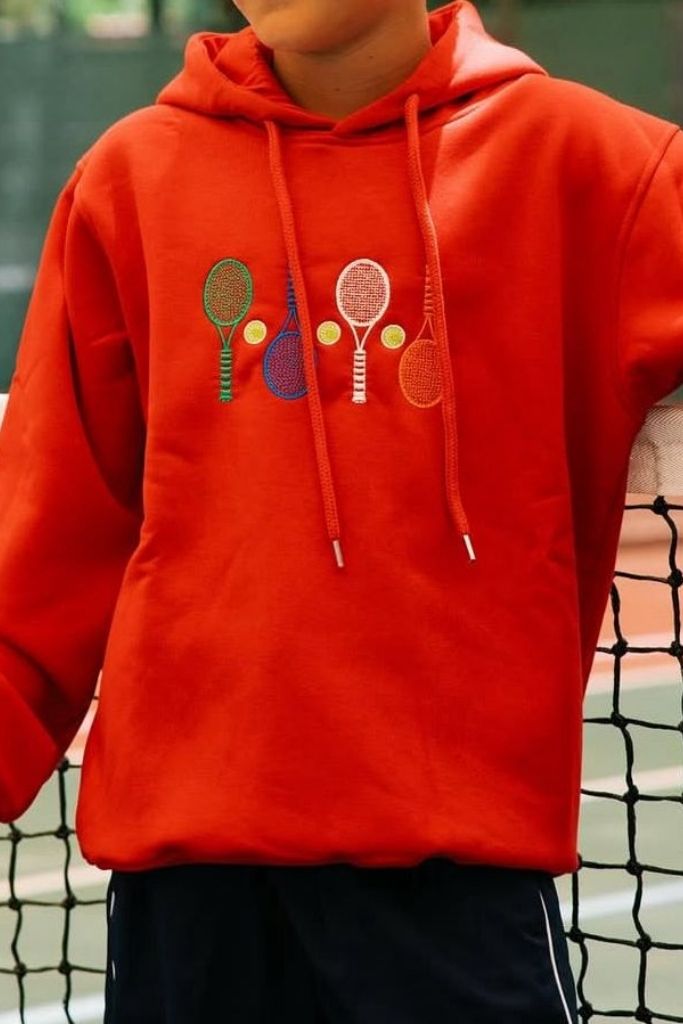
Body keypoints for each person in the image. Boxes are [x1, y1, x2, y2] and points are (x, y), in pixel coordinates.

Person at [1, 0, 682, 1020]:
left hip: (455, 884)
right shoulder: (128, 177)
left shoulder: (595, 164)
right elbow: (48, 525)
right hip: (186, 895)